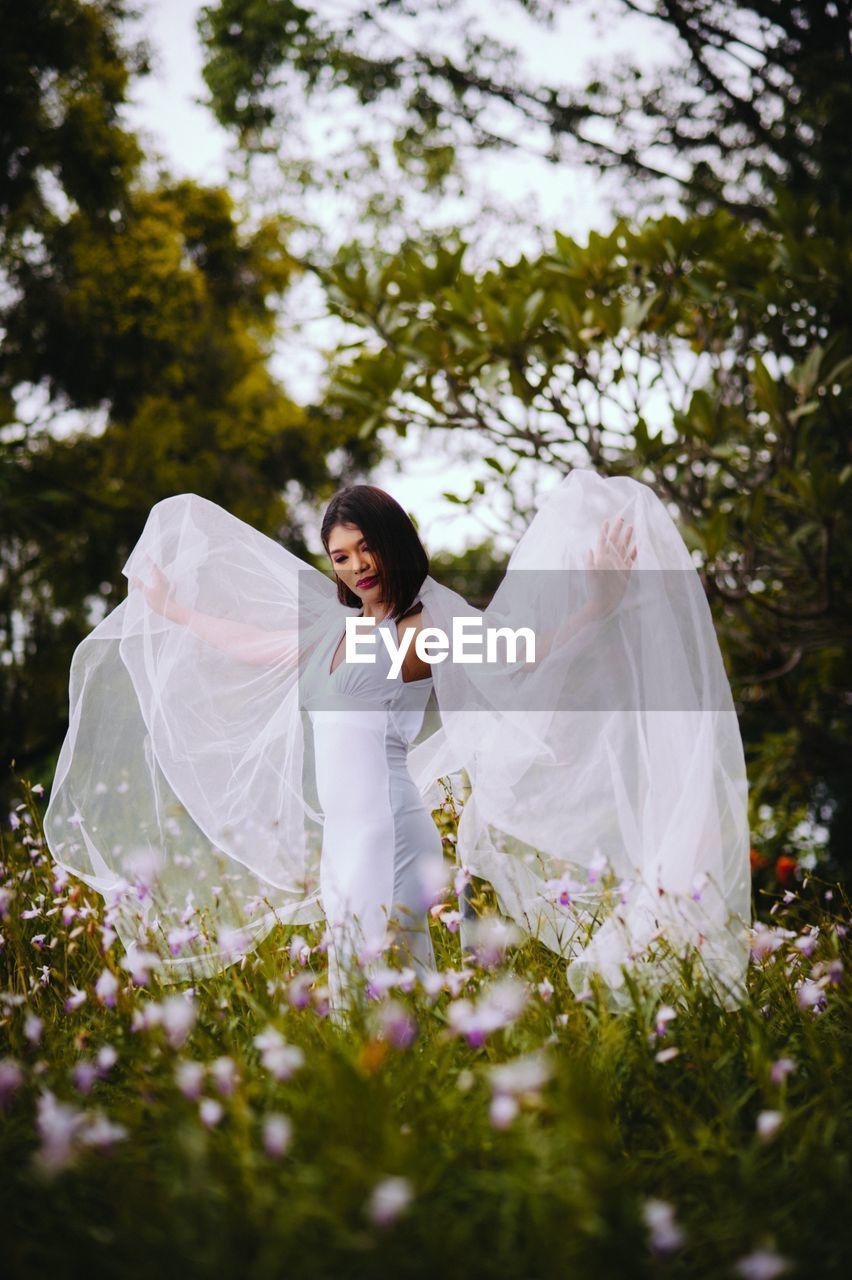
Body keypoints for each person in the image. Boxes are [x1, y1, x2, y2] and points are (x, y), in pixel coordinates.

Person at [43, 470, 752, 1017]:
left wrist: (596, 605)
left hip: (391, 829)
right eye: (340, 556)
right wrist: (171, 608)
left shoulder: (424, 628)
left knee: (380, 989)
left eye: (365, 549)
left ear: (393, 542)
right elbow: (249, 645)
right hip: (347, 841)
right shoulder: (330, 628)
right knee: (372, 992)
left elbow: (522, 652)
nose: (356, 567)